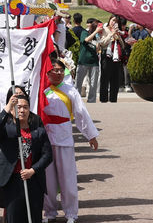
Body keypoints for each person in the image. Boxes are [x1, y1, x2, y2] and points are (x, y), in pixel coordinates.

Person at [42, 54, 99, 223]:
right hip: (46, 138)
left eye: (61, 70)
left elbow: (82, 114)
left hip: (64, 137)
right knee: (48, 180)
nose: (58, 73)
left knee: (68, 178)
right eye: (54, 70)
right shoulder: (42, 90)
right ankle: (50, 212)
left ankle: (71, 213)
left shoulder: (71, 91)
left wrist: (91, 136)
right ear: (48, 71)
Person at [0, 94, 53, 223]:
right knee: (14, 216)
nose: (22, 110)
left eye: (25, 107)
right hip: (12, 180)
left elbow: (47, 155)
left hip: (33, 180)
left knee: (34, 216)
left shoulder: (38, 131)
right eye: (18, 107)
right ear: (13, 110)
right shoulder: (7, 130)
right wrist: (8, 106)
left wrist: (33, 170)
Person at [98, 15, 124, 103]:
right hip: (107, 55)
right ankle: (103, 99)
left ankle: (113, 98)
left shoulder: (118, 31)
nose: (114, 23)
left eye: (116, 21)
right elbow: (102, 43)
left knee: (115, 78)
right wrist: (111, 35)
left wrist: (118, 36)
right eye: (113, 20)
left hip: (116, 57)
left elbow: (123, 45)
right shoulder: (105, 29)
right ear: (109, 20)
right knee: (105, 78)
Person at [75, 18, 101, 103]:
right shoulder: (84, 32)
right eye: (94, 24)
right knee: (78, 82)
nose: (96, 26)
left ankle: (92, 100)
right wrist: (95, 32)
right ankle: (76, 101)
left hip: (94, 62)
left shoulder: (97, 36)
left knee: (93, 84)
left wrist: (98, 40)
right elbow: (85, 40)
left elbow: (97, 49)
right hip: (83, 61)